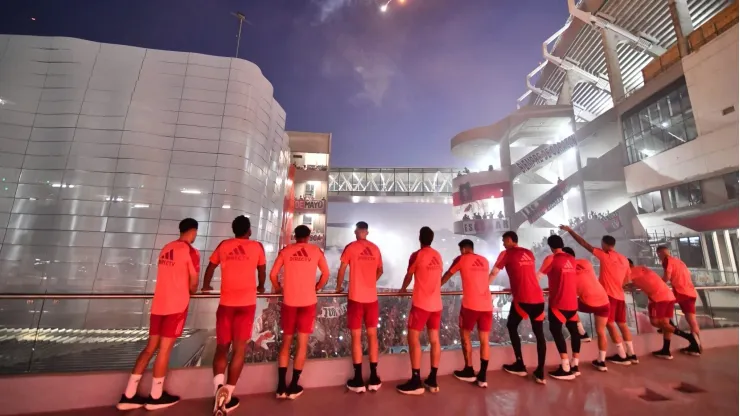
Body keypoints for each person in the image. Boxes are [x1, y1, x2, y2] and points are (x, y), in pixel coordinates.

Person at [117, 218, 200, 411]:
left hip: (158, 306)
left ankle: (128, 395)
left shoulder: (166, 248)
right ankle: (155, 396)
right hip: (176, 307)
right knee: (164, 350)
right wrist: (192, 289)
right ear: (193, 231)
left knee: (150, 348)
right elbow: (193, 284)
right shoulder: (191, 251)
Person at [201, 216, 266, 414]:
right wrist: (261, 287)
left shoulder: (224, 245)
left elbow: (211, 266)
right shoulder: (256, 247)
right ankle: (228, 394)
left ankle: (218, 388)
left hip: (226, 304)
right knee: (239, 350)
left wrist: (205, 285)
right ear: (249, 231)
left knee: (222, 347)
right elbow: (261, 270)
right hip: (246, 305)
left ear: (233, 229)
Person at [560, 226, 636, 365]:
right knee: (622, 325)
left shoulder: (605, 255)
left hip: (607, 296)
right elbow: (627, 281)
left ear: (605, 245)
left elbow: (584, 244)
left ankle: (622, 356)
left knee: (609, 326)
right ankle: (632, 354)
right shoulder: (624, 259)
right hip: (620, 296)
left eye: (601, 244)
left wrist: (570, 231)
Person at [270, 225, 330, 400]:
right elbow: (325, 274)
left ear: (295, 236)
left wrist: (279, 288)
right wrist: (317, 287)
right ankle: (294, 385)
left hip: (289, 301)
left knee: (286, 342)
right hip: (308, 302)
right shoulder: (316, 251)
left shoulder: (286, 251)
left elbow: (273, 275)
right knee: (302, 343)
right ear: (309, 236)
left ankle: (281, 387)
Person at [490, 231, 547, 385]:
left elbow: (494, 273)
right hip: (538, 298)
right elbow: (524, 274)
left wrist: (483, 288)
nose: (503, 243)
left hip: (523, 299)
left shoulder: (506, 254)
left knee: (511, 326)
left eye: (504, 240)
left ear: (509, 240)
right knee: (539, 335)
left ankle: (520, 364)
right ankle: (540, 372)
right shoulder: (529, 253)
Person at [335, 221, 384, 393]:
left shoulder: (351, 247)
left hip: (355, 298)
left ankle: (358, 380)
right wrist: (370, 282)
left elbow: (341, 270)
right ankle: (374, 377)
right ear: (367, 232)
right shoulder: (375, 249)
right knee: (372, 336)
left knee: (356, 337)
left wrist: (338, 287)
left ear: (357, 231)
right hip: (372, 298)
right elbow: (381, 270)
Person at [397, 226, 444, 395]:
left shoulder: (417, 255)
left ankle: (416, 380)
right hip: (436, 305)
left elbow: (409, 275)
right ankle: (432, 378)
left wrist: (403, 289)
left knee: (413, 338)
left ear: (420, 238)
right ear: (431, 239)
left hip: (421, 305)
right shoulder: (438, 256)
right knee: (434, 340)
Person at [441, 239, 492, 388]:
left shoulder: (461, 259)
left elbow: (448, 274)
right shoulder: (484, 261)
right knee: (484, 339)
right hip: (486, 305)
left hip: (470, 305)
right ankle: (482, 375)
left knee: (465, 335)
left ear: (463, 249)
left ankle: (469, 369)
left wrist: (435, 286)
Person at [537, 236, 580, 381]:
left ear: (550, 246)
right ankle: (575, 365)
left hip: (558, 302)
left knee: (555, 331)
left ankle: (565, 367)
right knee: (574, 331)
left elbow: (537, 278)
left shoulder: (551, 259)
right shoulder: (572, 259)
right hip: (572, 302)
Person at [562, 247, 611, 372]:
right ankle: (601, 361)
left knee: (566, 305)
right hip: (604, 301)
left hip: (589, 303)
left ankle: (581, 331)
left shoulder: (566, 272)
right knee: (601, 332)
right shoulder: (585, 262)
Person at [627, 259, 687, 360]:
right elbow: (644, 282)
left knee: (655, 322)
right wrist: (632, 285)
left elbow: (620, 281)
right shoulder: (641, 270)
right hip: (668, 296)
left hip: (658, 298)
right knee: (665, 324)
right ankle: (666, 350)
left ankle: (688, 337)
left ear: (629, 264)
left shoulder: (632, 271)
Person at [657, 246, 701, 356]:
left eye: (658, 254)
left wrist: (658, 284)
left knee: (661, 305)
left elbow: (667, 276)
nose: (659, 257)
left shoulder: (667, 261)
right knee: (692, 319)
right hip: (690, 291)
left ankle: (666, 326)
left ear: (661, 253)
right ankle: (696, 345)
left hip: (682, 292)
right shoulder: (679, 261)